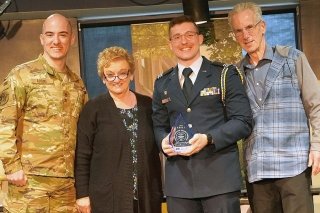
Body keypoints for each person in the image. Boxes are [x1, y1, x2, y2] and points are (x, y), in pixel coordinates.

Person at [152, 15, 253, 213]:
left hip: (220, 181)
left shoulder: (224, 74)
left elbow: (243, 121)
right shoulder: (162, 83)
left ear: (200, 38)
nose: (184, 41)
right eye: (177, 37)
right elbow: (158, 125)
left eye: (190, 34)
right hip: (179, 184)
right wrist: (163, 142)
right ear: (170, 44)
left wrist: (208, 138)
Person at [228, 2, 320, 213]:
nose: (245, 35)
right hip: (257, 169)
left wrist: (317, 146)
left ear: (262, 26)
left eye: (250, 27)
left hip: (294, 164)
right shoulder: (236, 74)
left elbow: (316, 105)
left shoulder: (292, 58)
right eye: (239, 31)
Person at [0, 14, 87, 212]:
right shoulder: (21, 75)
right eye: (50, 35)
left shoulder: (77, 85)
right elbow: (3, 123)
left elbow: (83, 135)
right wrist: (12, 167)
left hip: (66, 187)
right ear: (42, 39)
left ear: (72, 39)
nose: (56, 41)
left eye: (62, 35)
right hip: (29, 184)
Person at [74, 46, 163, 213]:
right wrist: (82, 195)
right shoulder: (93, 109)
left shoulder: (148, 105)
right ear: (103, 78)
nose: (117, 79)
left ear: (131, 74)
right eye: (110, 75)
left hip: (147, 196)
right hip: (108, 198)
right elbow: (82, 156)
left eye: (122, 73)